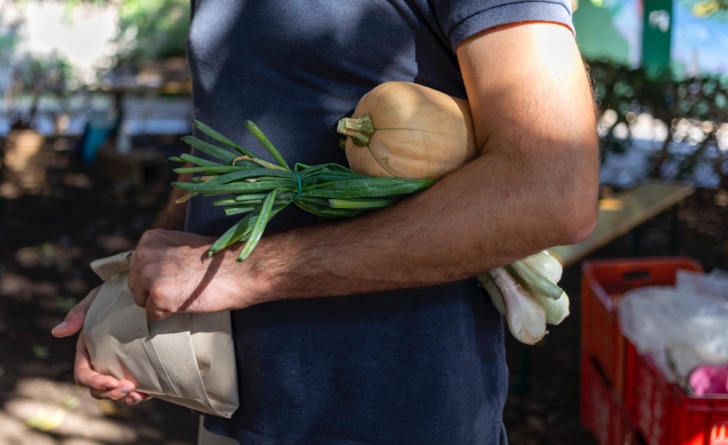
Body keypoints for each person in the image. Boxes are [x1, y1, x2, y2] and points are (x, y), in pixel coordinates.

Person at [52, 0, 600, 443]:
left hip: (398, 419)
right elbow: (226, 139)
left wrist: (251, 272)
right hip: (232, 412)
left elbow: (551, 189)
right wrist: (133, 292)